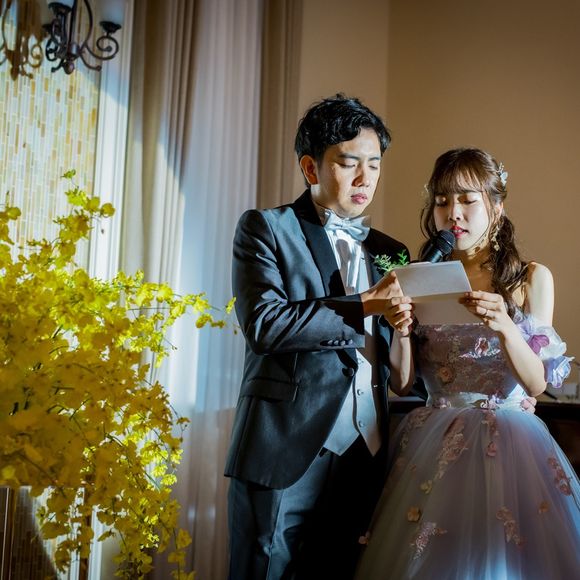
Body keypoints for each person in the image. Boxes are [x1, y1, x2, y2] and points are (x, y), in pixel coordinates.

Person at [355, 147, 579, 579]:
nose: (452, 213)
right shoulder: (421, 275)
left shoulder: (530, 278)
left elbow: (536, 384)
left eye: (467, 200)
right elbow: (403, 382)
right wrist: (401, 329)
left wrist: (505, 326)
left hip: (510, 443)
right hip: (432, 440)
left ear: (496, 206)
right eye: (442, 201)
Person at [224, 94, 415, 579]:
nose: (365, 178)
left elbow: (395, 362)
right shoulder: (266, 229)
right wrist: (363, 304)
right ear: (311, 167)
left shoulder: (391, 251)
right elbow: (266, 325)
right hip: (285, 446)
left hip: (365, 452)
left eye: (374, 165)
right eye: (349, 163)